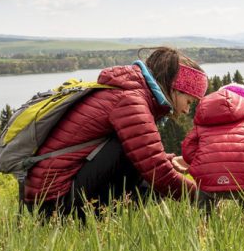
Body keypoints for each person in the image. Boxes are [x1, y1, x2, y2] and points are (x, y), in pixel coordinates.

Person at [24, 47, 208, 219]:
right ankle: (95, 218)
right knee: (149, 173)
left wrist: (168, 161)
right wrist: (202, 197)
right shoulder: (130, 100)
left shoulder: (130, 93)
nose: (186, 110)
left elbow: (150, 160)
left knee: (147, 172)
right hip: (54, 205)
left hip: (52, 195)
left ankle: (114, 217)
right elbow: (156, 170)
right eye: (189, 101)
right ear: (174, 88)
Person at [175, 83, 244, 216]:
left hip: (209, 182)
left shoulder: (203, 123)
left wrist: (200, 161)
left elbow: (188, 148)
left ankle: (204, 220)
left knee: (203, 196)